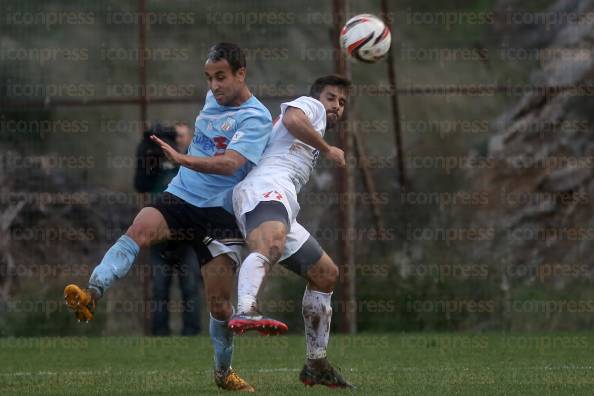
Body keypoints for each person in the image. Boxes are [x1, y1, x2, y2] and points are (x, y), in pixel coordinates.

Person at [64, 42, 271, 392]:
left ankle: (224, 373)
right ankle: (92, 292)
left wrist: (184, 158)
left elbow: (231, 164)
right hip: (181, 195)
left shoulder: (256, 117)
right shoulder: (212, 101)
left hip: (219, 213)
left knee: (220, 306)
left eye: (221, 77)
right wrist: (182, 160)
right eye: (209, 78)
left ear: (241, 73)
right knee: (138, 228)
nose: (214, 86)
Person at [228, 75, 353, 388]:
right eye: (331, 98)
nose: (336, 106)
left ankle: (316, 362)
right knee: (269, 245)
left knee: (325, 274)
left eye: (342, 102)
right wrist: (327, 149)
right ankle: (245, 310)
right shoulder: (310, 108)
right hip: (266, 188)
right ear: (316, 98)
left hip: (280, 200)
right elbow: (292, 117)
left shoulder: (314, 121)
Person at [134, 122, 203, 336]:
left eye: (182, 136)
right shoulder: (155, 162)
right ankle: (159, 334)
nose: (179, 140)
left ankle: (191, 334)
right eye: (175, 136)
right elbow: (141, 184)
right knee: (159, 289)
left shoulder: (194, 163)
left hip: (188, 238)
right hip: (160, 238)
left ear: (190, 139)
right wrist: (145, 154)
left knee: (191, 287)